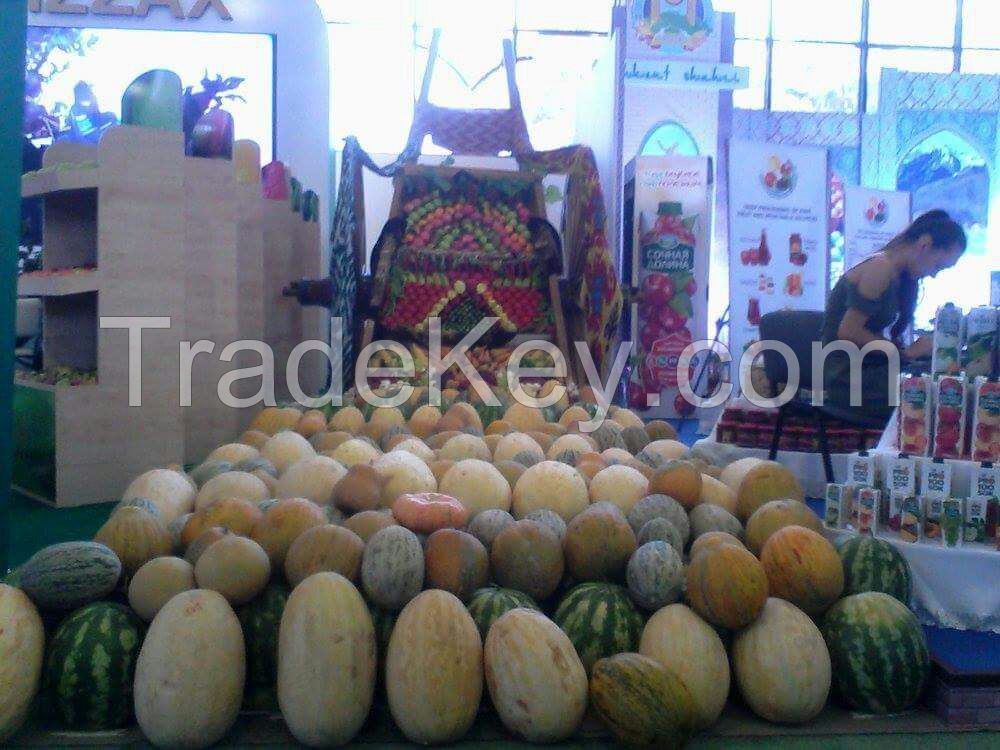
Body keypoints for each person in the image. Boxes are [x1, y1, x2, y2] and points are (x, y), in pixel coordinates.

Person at [821, 209, 967, 425]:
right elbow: (848, 332)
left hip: (867, 371)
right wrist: (905, 353)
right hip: (847, 380)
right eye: (938, 266)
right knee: (939, 395)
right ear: (925, 244)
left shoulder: (898, 274)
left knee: (946, 383)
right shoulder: (880, 267)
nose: (935, 274)